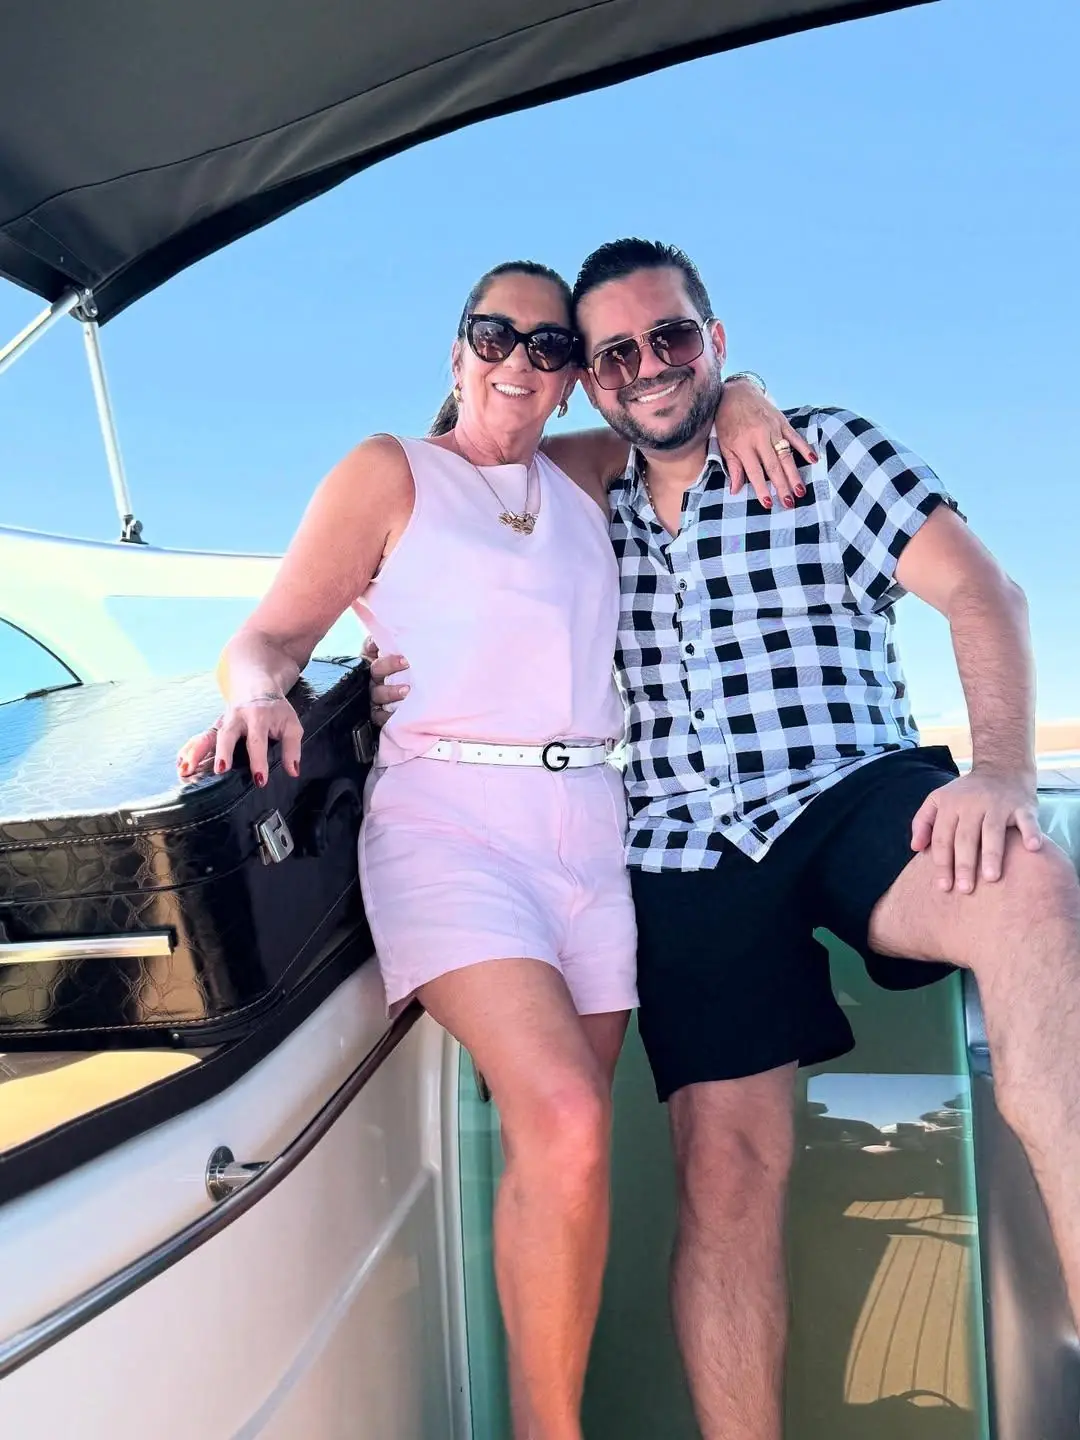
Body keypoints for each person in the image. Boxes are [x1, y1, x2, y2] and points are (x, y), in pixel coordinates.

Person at [370, 239, 1080, 1440]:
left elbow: (982, 593)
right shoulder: (574, 502)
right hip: (681, 847)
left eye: (674, 337)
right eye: (615, 353)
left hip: (850, 790)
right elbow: (459, 502)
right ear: (588, 380)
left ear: (717, 339)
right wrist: (382, 665)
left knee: (1029, 889)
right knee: (724, 1169)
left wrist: (1003, 770)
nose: (648, 366)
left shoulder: (823, 447)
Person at [175, 257, 800, 1440]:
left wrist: (752, 391)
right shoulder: (391, 471)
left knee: (569, 1151)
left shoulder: (583, 469)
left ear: (571, 381)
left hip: (594, 834)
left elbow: (688, 403)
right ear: (457, 350)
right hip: (449, 825)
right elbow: (269, 637)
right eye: (495, 334)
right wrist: (259, 694)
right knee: (565, 1114)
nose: (521, 360)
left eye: (551, 347)